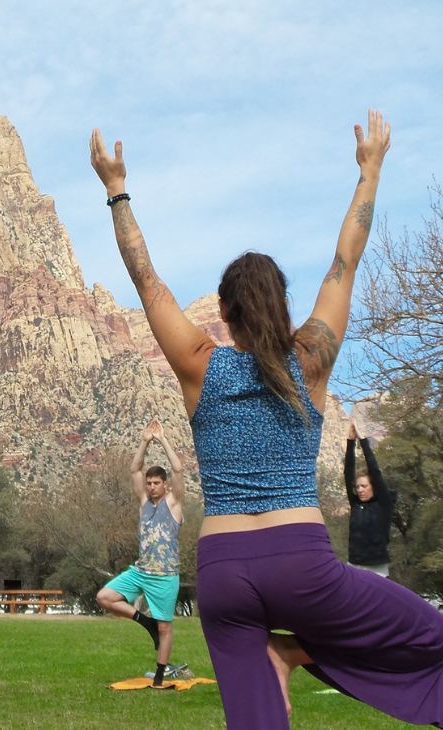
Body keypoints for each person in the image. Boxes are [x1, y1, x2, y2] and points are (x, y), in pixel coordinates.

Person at [92, 110, 443, 730]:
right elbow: (345, 260)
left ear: (223, 315)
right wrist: (370, 171)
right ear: (283, 306)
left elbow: (146, 280)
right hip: (300, 564)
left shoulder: (201, 365)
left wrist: (116, 189)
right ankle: (292, 650)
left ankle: (280, 653)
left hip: (222, 573)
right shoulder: (309, 357)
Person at [97, 418, 185, 687]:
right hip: (141, 571)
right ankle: (143, 622)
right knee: (105, 597)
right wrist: (145, 440)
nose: (151, 487)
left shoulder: (174, 503)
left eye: (156, 483)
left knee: (165, 628)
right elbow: (134, 468)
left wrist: (164, 440)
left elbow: (179, 469)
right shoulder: (144, 503)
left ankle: (160, 677)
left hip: (165, 575)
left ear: (165, 485)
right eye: (149, 483)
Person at [345, 421, 395, 577]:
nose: (360, 489)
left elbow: (376, 472)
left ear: (373, 486)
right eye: (358, 486)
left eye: (364, 486)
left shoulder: (384, 503)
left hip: (377, 568)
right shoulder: (356, 504)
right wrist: (350, 442)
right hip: (354, 565)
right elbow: (348, 474)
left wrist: (363, 441)